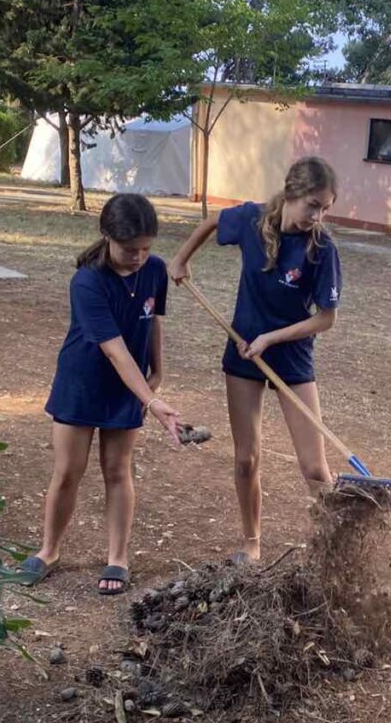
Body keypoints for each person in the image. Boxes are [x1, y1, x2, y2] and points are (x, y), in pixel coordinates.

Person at [170, 157, 342, 563]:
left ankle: (334, 553)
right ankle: (251, 544)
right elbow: (213, 222)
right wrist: (181, 259)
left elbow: (325, 319)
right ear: (291, 194)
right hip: (243, 351)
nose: (317, 216)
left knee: (315, 468)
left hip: (291, 358)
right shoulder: (252, 221)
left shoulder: (322, 249)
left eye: (326, 208)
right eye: (313, 205)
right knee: (246, 459)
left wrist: (271, 338)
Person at [20, 193, 181, 595]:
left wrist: (157, 372)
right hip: (82, 382)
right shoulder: (87, 281)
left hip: (132, 385)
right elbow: (114, 348)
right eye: (131, 249)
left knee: (117, 469)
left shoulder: (156, 270)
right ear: (107, 236)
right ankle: (49, 550)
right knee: (68, 471)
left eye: (146, 248)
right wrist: (151, 400)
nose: (139, 257)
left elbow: (152, 321)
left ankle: (118, 558)